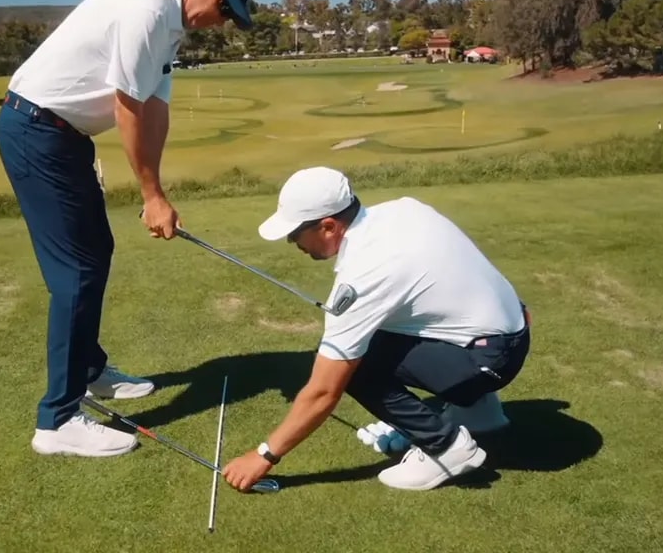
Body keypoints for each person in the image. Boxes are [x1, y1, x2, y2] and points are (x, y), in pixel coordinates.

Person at [0, 0, 255, 458]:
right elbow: (127, 106)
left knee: (96, 252)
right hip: (36, 130)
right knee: (77, 272)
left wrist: (158, 190)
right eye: (224, 9)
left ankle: (90, 370)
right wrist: (150, 195)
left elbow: (155, 109)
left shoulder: (171, 27)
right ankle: (58, 420)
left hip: (65, 139)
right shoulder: (145, 10)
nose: (221, 23)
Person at [220, 166, 532, 491]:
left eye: (296, 232)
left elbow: (325, 391)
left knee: (351, 365)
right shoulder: (404, 209)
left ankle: (445, 447)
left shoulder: (365, 274)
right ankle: (481, 411)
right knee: (377, 337)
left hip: (489, 361)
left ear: (328, 226)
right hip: (513, 332)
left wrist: (264, 455)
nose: (291, 241)